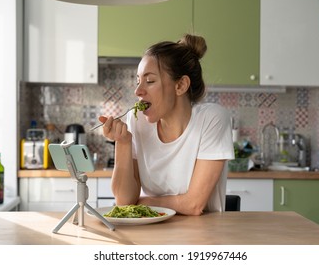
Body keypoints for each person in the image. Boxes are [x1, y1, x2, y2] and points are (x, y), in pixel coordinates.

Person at [98, 34, 234, 215]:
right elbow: (124, 201)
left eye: (150, 81)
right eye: (138, 81)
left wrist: (143, 202)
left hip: (202, 234)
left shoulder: (212, 119)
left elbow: (193, 205)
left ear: (181, 85)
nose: (138, 91)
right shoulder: (136, 120)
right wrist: (123, 143)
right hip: (153, 232)